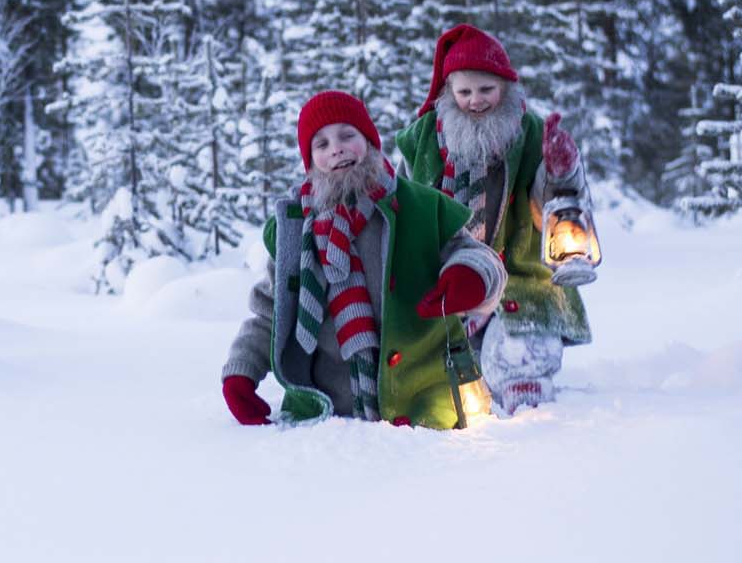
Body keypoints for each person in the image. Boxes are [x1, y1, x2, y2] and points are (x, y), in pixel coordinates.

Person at [221, 90, 504, 429]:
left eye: (346, 135)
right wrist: (241, 372)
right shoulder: (294, 231)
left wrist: (470, 275)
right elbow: (270, 313)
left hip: (424, 399)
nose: (336, 148)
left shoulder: (420, 206)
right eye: (321, 144)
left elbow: (477, 255)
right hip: (329, 412)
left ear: (369, 141)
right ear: (309, 162)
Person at [393, 25, 595, 414]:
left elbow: (552, 207)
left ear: (505, 86)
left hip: (518, 282)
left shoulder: (532, 132)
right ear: (448, 92)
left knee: (521, 360)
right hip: (444, 285)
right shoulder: (422, 139)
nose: (475, 102)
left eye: (486, 90)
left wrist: (561, 169)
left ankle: (531, 424)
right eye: (464, 92)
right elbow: (401, 200)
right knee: (435, 378)